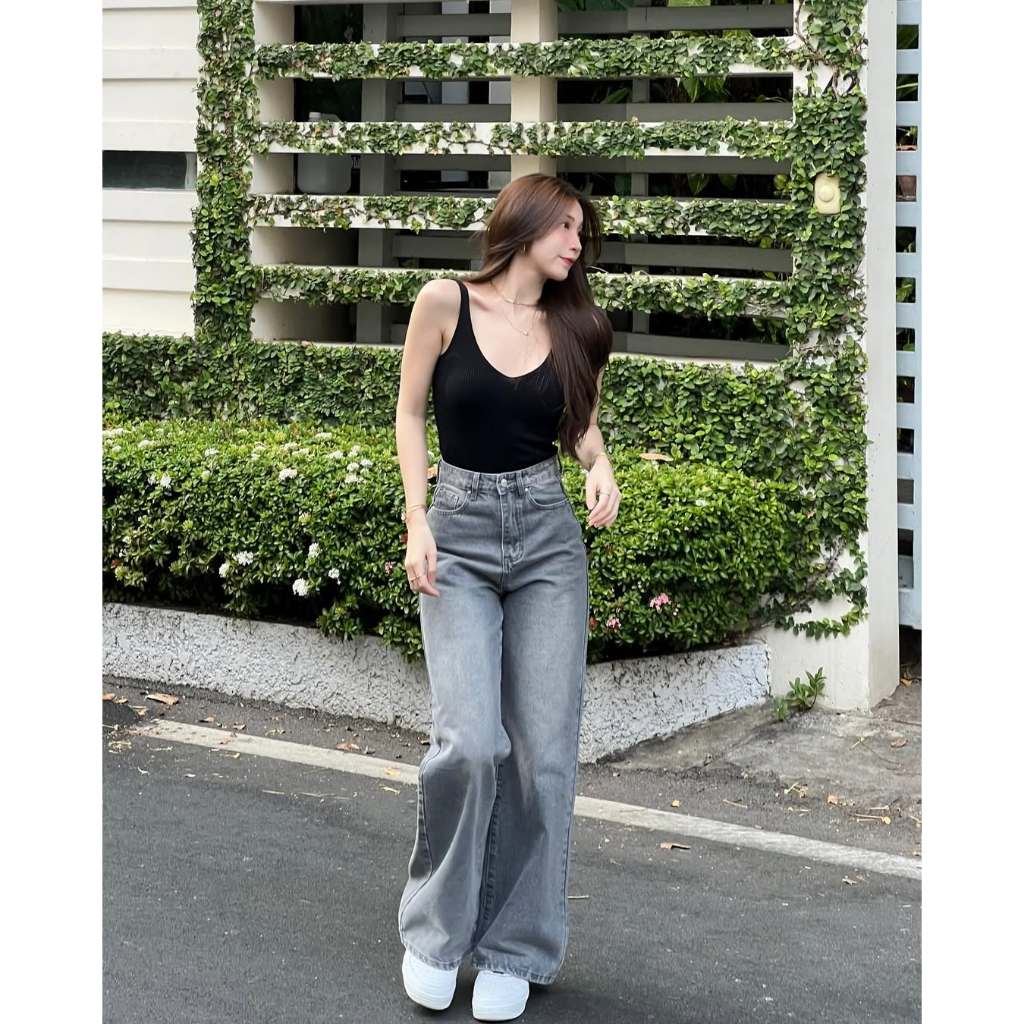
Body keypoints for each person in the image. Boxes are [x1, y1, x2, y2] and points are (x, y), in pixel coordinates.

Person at [393, 173, 619, 1021]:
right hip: (456, 531)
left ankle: (515, 947)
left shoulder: (574, 326)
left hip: (547, 539)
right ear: (523, 225)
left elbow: (579, 424)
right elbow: (409, 414)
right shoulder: (444, 303)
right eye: (564, 227)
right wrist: (417, 520)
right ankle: (434, 934)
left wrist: (600, 466)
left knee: (543, 755)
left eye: (580, 231)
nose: (576, 243)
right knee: (468, 743)